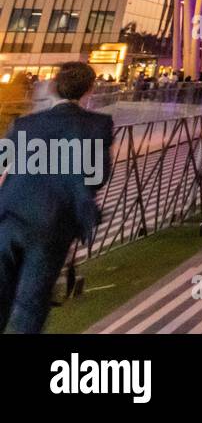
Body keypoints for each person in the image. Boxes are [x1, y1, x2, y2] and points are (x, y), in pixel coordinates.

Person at [0, 62, 114, 333]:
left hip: (9, 216)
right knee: (32, 303)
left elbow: (3, 161)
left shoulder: (26, 123)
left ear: (53, 87)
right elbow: (97, 177)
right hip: (53, 223)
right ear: (90, 89)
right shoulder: (97, 125)